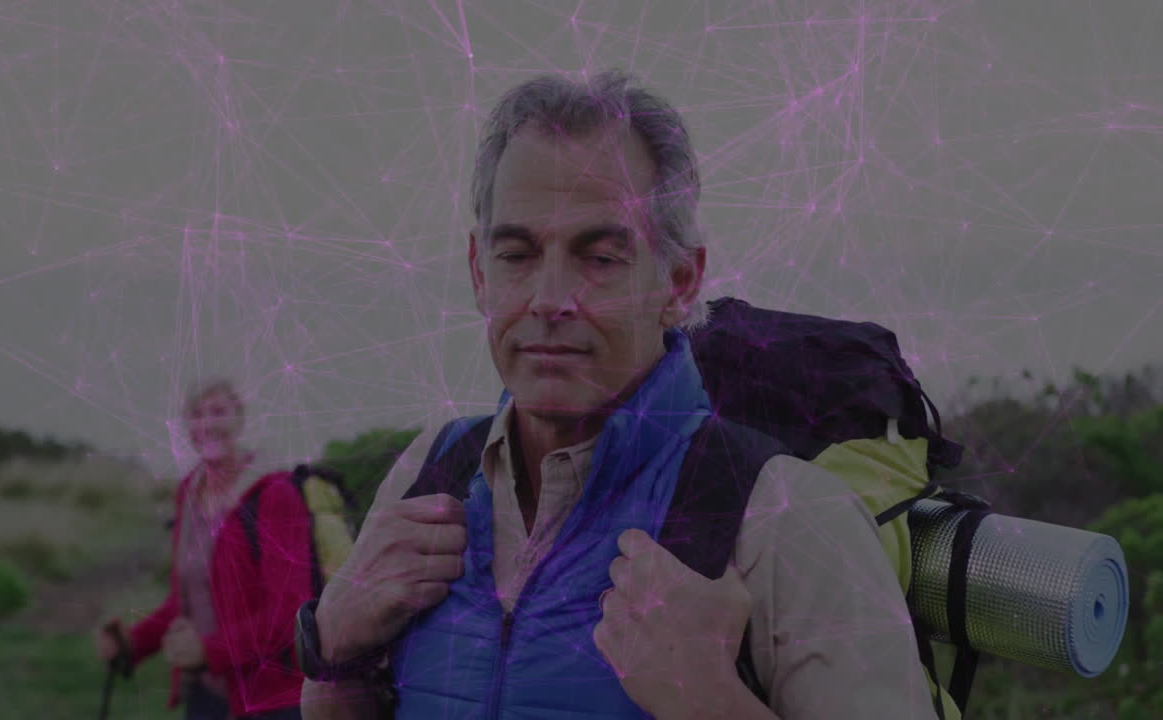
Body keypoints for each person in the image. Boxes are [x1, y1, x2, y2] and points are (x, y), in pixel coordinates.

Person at [298, 70, 939, 718]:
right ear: (478, 272)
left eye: (600, 258)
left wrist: (713, 703)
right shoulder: (430, 473)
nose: (550, 299)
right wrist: (332, 649)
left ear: (680, 283)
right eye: (517, 255)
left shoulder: (789, 518)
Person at [94, 379, 315, 720]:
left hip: (270, 699)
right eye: (197, 414)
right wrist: (132, 643)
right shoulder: (189, 493)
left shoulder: (275, 493)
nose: (207, 424)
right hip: (207, 693)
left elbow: (289, 613)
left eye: (218, 412)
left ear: (239, 420)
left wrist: (208, 650)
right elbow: (184, 602)